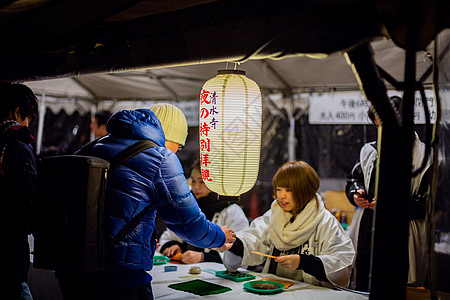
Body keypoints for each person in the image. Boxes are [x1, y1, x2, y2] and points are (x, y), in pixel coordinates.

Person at [58, 103, 236, 300]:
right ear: (169, 136)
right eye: (179, 144)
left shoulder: (93, 147)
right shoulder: (160, 157)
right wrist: (220, 236)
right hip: (120, 277)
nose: (178, 151)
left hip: (70, 268)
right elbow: (187, 223)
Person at [345, 95, 432, 291]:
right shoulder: (369, 151)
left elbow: (430, 204)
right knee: (364, 281)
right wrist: (355, 194)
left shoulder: (425, 156)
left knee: (397, 284)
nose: (382, 131)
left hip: (402, 231)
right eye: (378, 125)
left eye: (387, 126)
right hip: (368, 227)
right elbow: (353, 179)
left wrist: (392, 206)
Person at [222, 161, 355, 287]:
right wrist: (235, 244)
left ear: (304, 191)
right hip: (275, 288)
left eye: (288, 190)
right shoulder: (274, 215)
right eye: (279, 189)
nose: (281, 196)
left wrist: (304, 262)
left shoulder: (325, 222)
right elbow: (255, 239)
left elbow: (341, 262)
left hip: (310, 293)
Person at [159, 159, 249, 264]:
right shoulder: (186, 206)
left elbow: (241, 251)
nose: (196, 187)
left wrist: (204, 257)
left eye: (202, 181)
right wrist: (174, 246)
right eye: (193, 180)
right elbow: (170, 235)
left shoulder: (232, 210)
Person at [0, 82, 39, 300]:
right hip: (9, 252)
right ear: (17, 112)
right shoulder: (16, 145)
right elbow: (28, 197)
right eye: (27, 119)